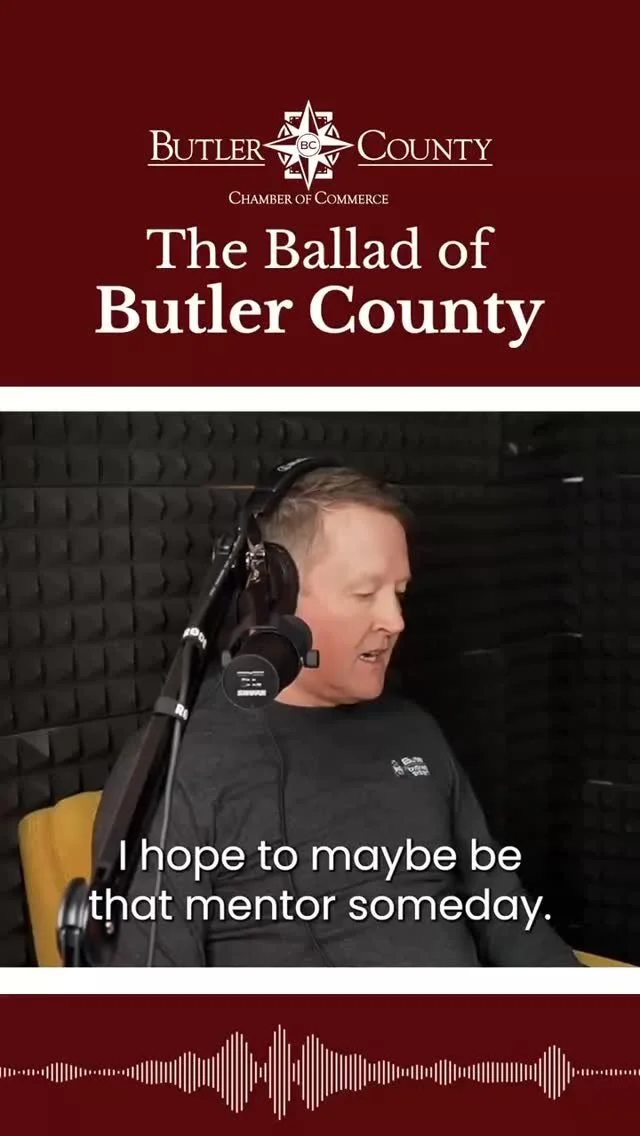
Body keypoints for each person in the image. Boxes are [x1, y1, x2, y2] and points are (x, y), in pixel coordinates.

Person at [95, 465, 581, 966]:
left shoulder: (414, 732)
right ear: (275, 599)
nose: (395, 620)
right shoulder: (179, 766)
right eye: (365, 593)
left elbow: (509, 920)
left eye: (399, 593)